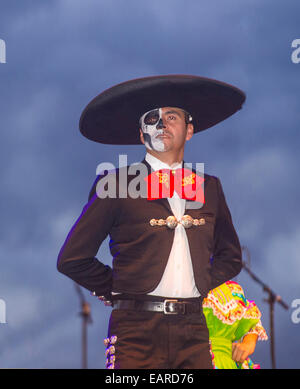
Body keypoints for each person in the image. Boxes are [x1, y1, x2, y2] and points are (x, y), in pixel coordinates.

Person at [57, 75, 246, 369]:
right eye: (152, 118)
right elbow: (72, 258)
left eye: (171, 117)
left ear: (190, 130)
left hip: (194, 330)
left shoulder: (209, 188)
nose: (162, 124)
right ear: (142, 135)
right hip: (136, 334)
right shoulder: (116, 184)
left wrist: (201, 283)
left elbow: (231, 257)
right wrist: (120, 289)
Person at [203, 280, 268, 369]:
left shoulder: (232, 289)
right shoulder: (181, 286)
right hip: (189, 357)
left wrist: (248, 344)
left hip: (226, 362)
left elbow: (252, 322)